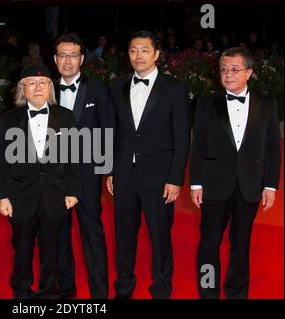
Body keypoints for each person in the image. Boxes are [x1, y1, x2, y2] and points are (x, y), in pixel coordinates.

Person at [189, 47, 281, 299]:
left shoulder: (267, 105)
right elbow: (198, 146)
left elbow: (273, 148)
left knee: (241, 245)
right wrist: (195, 183)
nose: (228, 74)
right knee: (209, 244)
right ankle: (208, 292)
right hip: (213, 184)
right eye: (223, 69)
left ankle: (237, 293)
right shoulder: (207, 103)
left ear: (249, 73)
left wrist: (270, 186)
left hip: (249, 186)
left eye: (234, 69)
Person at [106, 31, 190, 299]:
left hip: (159, 177)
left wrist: (175, 178)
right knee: (124, 237)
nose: (138, 56)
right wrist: (109, 168)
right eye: (133, 50)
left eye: (144, 50)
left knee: (160, 237)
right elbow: (112, 130)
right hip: (123, 174)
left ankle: (162, 288)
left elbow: (181, 136)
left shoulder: (175, 88)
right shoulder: (116, 85)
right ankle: (124, 287)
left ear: (156, 54)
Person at [0, 64, 80, 299]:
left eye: (43, 83)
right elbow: (2, 161)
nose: (38, 87)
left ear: (50, 87)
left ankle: (49, 294)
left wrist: (72, 190)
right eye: (31, 83)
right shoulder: (9, 119)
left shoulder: (65, 116)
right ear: (23, 88)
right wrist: (4, 196)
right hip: (21, 196)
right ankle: (21, 294)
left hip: (56, 195)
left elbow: (74, 157)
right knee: (21, 251)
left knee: (51, 252)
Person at [54, 33, 113, 299]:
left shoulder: (98, 89)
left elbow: (107, 129)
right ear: (55, 59)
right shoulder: (45, 88)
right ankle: (66, 289)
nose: (67, 60)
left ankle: (100, 293)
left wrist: (107, 170)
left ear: (81, 59)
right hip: (54, 175)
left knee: (92, 232)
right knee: (59, 234)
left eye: (73, 55)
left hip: (87, 173)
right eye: (62, 55)